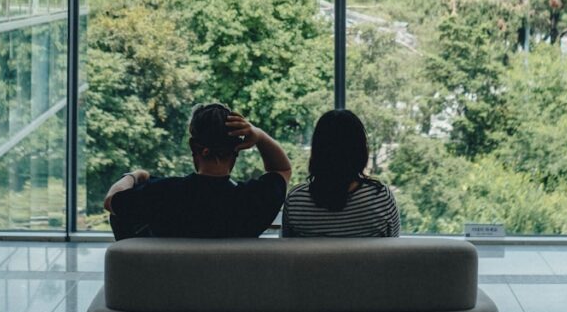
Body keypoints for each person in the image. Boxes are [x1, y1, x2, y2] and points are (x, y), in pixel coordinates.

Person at [104, 102, 291, 239]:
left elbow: (111, 202)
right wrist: (258, 135)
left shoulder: (160, 194)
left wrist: (134, 176)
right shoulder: (254, 200)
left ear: (194, 146)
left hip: (167, 288)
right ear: (237, 148)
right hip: (234, 288)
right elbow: (282, 168)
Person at [282, 109, 400, 237]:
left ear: (317, 151)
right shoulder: (380, 197)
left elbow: (288, 251)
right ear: (359, 152)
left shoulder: (296, 200)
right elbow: (393, 247)